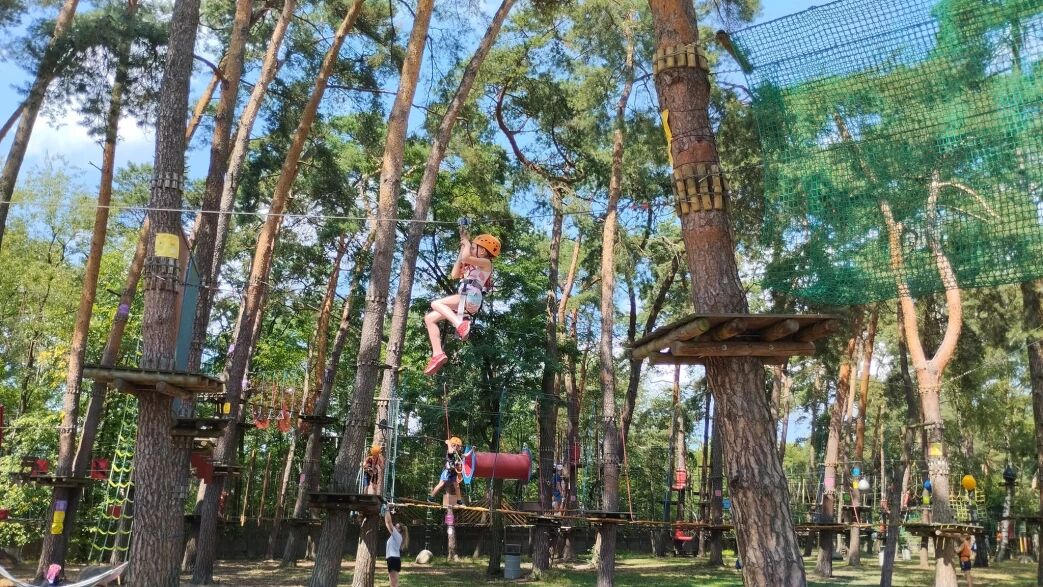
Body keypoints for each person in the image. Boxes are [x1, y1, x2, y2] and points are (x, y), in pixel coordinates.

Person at [423, 231, 500, 376]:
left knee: (435, 303)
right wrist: (462, 249)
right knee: (430, 318)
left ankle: (459, 324)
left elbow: (466, 257)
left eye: (473, 248)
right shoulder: (470, 267)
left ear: (482, 251)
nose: (470, 250)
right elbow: (454, 274)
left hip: (471, 297)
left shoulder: (486, 263)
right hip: (466, 300)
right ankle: (438, 353)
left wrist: (466, 242)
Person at [429, 437, 465, 504]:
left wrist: (472, 450)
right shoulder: (450, 452)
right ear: (452, 445)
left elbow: (465, 456)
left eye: (458, 446)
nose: (457, 447)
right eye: (455, 445)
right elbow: (450, 451)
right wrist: (448, 443)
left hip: (454, 472)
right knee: (441, 484)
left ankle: (459, 500)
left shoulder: (459, 454)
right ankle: (431, 497)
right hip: (447, 471)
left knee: (457, 486)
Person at [384, 507, 408, 587]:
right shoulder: (394, 535)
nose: (394, 527)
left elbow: (390, 523)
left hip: (394, 559)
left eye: (396, 527)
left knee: (394, 584)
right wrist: (385, 511)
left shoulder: (397, 536)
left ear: (400, 530)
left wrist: (387, 509)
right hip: (391, 559)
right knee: (392, 583)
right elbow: (387, 523)